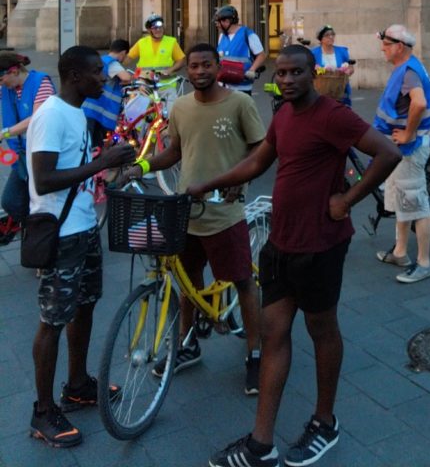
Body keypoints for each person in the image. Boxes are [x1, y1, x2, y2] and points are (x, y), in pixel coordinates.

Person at [189, 45, 400, 467]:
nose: (286, 80)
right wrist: (204, 184)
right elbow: (257, 163)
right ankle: (261, 444)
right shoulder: (283, 115)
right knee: (274, 334)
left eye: (295, 73)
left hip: (321, 243)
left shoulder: (332, 115)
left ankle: (325, 422)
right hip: (280, 243)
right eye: (280, 74)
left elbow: (388, 153)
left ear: (311, 74)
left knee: (322, 329)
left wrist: (348, 199)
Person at [124, 43, 265, 393]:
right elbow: (173, 152)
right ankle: (188, 344)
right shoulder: (182, 107)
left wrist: (239, 181)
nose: (200, 71)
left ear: (219, 68)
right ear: (186, 70)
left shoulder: (240, 104)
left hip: (224, 213)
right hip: (186, 210)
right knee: (188, 284)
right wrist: (139, 166)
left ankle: (255, 354)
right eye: (194, 66)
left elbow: (261, 148)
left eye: (206, 65)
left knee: (244, 282)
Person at [27, 46, 136, 448]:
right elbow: (43, 179)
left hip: (85, 226)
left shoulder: (77, 113)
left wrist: (107, 167)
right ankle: (42, 412)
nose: (103, 79)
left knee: (85, 304)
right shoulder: (52, 115)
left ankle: (77, 385)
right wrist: (101, 162)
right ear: (74, 75)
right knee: (53, 320)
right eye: (96, 73)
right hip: (61, 232)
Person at [374, 24, 430, 284]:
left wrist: (409, 133)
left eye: (387, 44)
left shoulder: (408, 71)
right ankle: (400, 252)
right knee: (404, 198)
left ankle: (424, 263)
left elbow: (420, 103)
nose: (382, 48)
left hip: (411, 147)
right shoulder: (409, 66)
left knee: (415, 201)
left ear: (399, 46)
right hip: (402, 146)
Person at [0, 51, 56, 223]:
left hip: (43, 155)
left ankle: (40, 231)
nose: (1, 84)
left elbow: (36, 118)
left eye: (1, 79)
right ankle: (32, 230)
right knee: (12, 202)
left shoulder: (41, 83)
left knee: (38, 202)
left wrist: (5, 133)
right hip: (22, 157)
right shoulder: (7, 88)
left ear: (14, 71)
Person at [127, 14, 185, 107]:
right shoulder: (141, 42)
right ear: (149, 30)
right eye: (155, 28)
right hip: (144, 85)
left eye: (160, 27)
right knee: (138, 112)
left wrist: (170, 70)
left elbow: (181, 60)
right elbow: (127, 58)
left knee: (170, 114)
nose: (158, 30)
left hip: (166, 85)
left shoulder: (171, 42)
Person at [81, 39, 132, 145]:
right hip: (98, 111)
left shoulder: (101, 60)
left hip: (88, 108)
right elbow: (126, 77)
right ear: (123, 53)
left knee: (89, 144)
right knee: (95, 144)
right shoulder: (112, 63)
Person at [215, 5, 266, 96]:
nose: (217, 25)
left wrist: (252, 70)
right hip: (223, 85)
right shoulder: (222, 36)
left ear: (227, 21)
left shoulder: (248, 34)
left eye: (219, 22)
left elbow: (261, 55)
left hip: (242, 87)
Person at [311, 25, 354, 106]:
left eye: (332, 34)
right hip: (321, 93)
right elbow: (311, 71)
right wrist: (323, 70)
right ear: (321, 39)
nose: (331, 37)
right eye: (327, 35)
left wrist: (349, 71)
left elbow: (351, 67)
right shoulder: (314, 53)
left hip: (340, 93)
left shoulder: (342, 51)